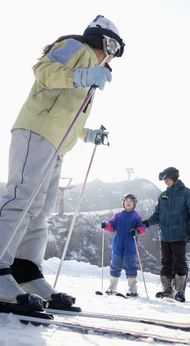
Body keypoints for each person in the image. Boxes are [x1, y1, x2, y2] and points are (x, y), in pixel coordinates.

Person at [0, 15, 125, 311]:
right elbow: (43, 70)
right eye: (114, 50)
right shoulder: (75, 47)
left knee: (41, 211)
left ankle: (25, 271)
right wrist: (80, 77)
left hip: (56, 145)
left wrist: (88, 134)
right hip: (36, 130)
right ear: (105, 41)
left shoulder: (92, 70)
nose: (113, 58)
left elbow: (68, 114)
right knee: (22, 199)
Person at [143, 167, 190, 302]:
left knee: (179, 262)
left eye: (167, 179)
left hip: (180, 234)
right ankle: (167, 290)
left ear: (174, 177)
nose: (165, 182)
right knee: (165, 262)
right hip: (164, 236)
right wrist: (145, 223)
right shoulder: (163, 195)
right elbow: (156, 216)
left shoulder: (187, 193)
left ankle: (179, 291)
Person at [101, 194, 146, 297]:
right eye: (126, 201)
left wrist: (137, 231)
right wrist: (106, 225)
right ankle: (112, 286)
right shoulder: (118, 215)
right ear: (123, 203)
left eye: (130, 201)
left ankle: (132, 288)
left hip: (130, 243)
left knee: (130, 265)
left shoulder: (136, 216)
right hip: (118, 242)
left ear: (134, 203)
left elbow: (142, 227)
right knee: (115, 264)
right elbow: (112, 226)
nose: (128, 202)